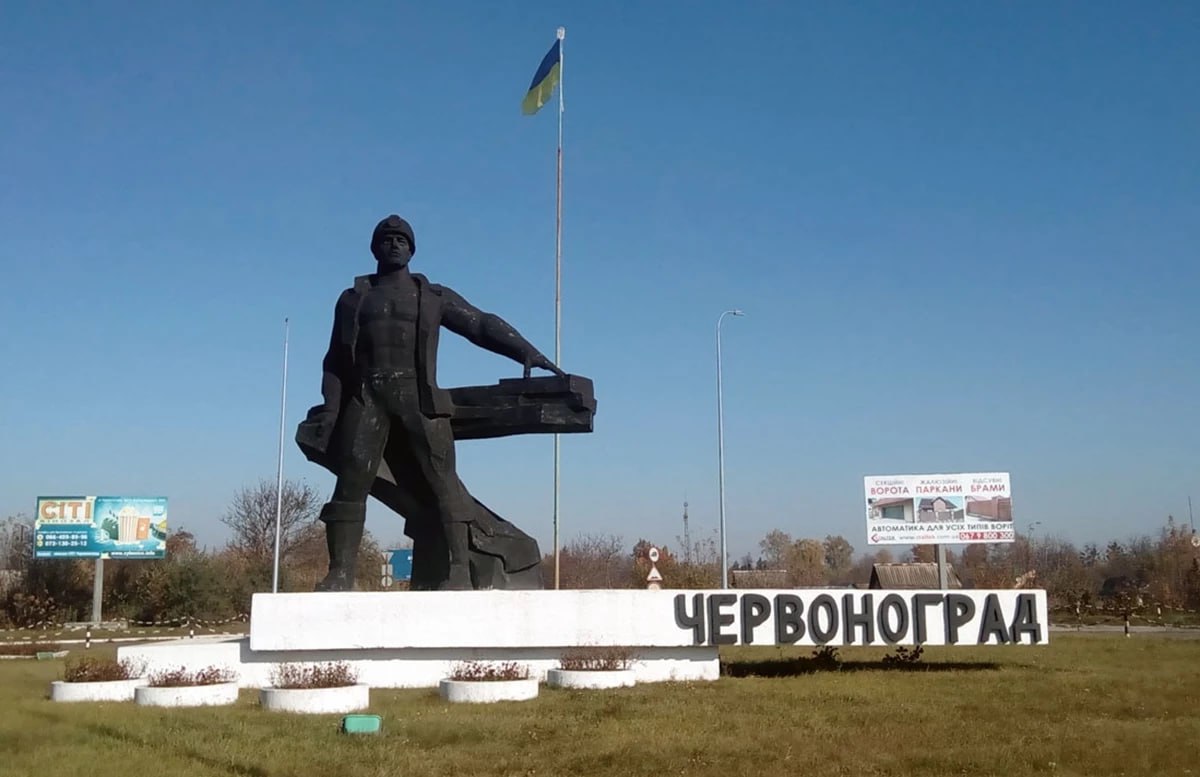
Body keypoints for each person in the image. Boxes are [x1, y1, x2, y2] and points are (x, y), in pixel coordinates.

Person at [311, 214, 563, 590]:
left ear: (412, 249)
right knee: (350, 485)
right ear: (374, 247)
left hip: (419, 396)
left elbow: (478, 323)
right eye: (387, 238)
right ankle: (340, 572)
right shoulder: (352, 300)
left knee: (444, 483)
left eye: (402, 239)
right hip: (367, 397)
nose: (395, 244)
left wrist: (523, 350)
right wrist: (331, 410)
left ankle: (458, 570)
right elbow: (334, 360)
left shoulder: (431, 296)